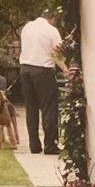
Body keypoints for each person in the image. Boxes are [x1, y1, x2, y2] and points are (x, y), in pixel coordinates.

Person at [19, 10, 67, 155]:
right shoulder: (52, 30)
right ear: (52, 19)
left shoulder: (27, 27)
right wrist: (65, 69)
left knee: (31, 108)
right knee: (49, 108)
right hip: (43, 71)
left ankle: (34, 145)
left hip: (25, 69)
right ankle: (50, 145)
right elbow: (56, 54)